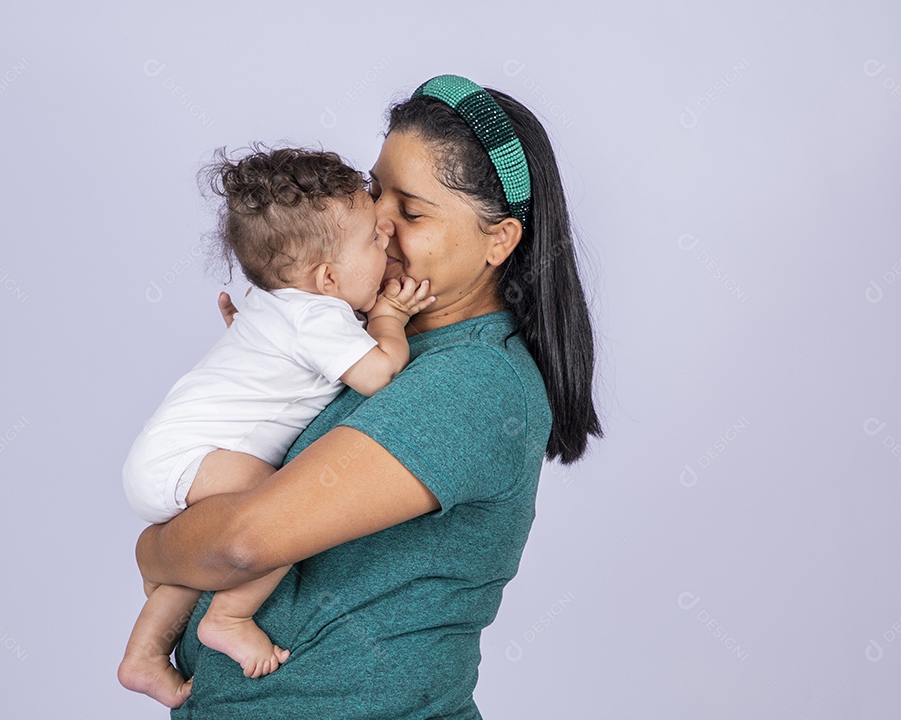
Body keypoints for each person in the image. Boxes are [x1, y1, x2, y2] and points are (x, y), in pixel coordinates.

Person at [135, 74, 603, 719]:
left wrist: (154, 548)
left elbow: (240, 543)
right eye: (377, 191)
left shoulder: (472, 382)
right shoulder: (360, 339)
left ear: (498, 240)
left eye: (412, 212)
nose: (378, 223)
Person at [118, 146, 434, 708]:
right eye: (373, 239)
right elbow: (381, 374)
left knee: (212, 548)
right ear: (328, 276)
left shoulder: (279, 302)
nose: (386, 234)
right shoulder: (318, 317)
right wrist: (390, 317)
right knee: (285, 512)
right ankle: (229, 617)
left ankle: (143, 656)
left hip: (165, 456)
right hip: (191, 456)